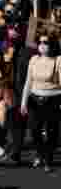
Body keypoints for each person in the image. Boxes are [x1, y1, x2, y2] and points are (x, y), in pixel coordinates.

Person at [21, 33, 61, 172]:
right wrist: (23, 102)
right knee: (34, 130)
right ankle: (40, 153)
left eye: (46, 42)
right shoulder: (33, 59)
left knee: (51, 132)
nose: (42, 45)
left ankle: (48, 160)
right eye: (40, 42)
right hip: (34, 98)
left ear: (52, 45)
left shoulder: (58, 60)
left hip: (53, 99)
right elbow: (28, 82)